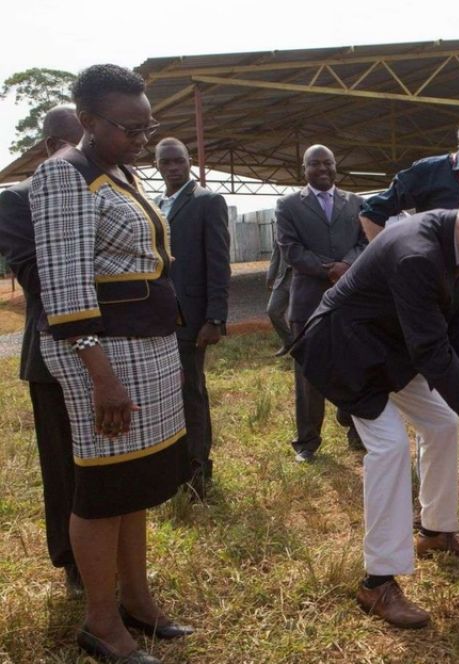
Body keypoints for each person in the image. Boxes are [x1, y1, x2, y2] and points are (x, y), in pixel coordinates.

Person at [294, 184, 459, 628]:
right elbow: (431, 352)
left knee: (440, 421)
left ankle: (437, 531)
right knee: (389, 448)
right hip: (346, 349)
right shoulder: (417, 253)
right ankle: (376, 583)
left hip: (392, 345)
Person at [30, 64, 192, 663]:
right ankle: (101, 621)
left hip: (142, 347)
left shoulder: (117, 170)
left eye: (149, 128)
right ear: (90, 121)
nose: (143, 140)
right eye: (131, 128)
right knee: (102, 488)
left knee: (135, 484)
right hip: (99, 356)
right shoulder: (63, 175)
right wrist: (102, 376)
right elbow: (66, 287)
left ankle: (137, 602)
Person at [359, 105, 459, 528]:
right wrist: (396, 271)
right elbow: (371, 212)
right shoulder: (429, 174)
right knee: (431, 405)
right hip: (429, 311)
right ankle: (422, 503)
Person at [0, 106, 84, 595]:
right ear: (54, 146)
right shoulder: (17, 200)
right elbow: (36, 278)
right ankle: (71, 560)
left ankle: (105, 552)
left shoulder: (104, 190)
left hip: (111, 352)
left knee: (108, 463)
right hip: (52, 355)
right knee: (63, 464)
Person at [275, 144, 367, 461]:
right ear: (305, 169)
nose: (323, 169)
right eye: (315, 164)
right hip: (307, 301)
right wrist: (331, 269)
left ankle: (356, 428)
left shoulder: (356, 203)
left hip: (349, 300)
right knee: (308, 375)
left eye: (328, 163)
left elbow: (364, 242)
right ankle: (307, 442)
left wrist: (347, 266)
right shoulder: (288, 206)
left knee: (354, 367)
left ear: (335, 165)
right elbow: (291, 250)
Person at [154, 137, 231, 501]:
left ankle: (198, 473)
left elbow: (218, 263)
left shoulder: (207, 202)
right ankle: (170, 473)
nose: (173, 167)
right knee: (163, 396)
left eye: (179, 161)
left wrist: (215, 317)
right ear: (156, 165)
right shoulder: (155, 205)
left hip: (192, 321)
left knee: (190, 394)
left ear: (189, 162)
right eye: (166, 162)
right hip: (156, 320)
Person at [265, 233, 293, 356]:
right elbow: (276, 253)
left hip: (303, 276)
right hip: (283, 278)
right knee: (273, 311)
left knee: (298, 316)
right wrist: (270, 276)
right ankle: (289, 341)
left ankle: (305, 347)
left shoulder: (306, 217)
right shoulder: (280, 222)